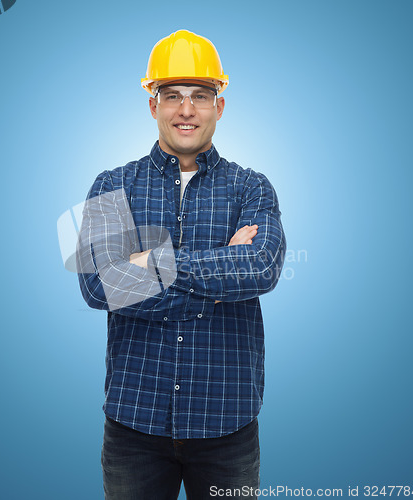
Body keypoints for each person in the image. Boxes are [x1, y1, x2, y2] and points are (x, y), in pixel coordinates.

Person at [76, 29, 286, 500]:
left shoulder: (253, 187)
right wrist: (218, 277)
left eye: (200, 96)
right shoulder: (112, 184)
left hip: (227, 425)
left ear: (220, 106)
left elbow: (261, 267)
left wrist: (149, 261)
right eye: (172, 96)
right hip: (134, 425)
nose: (186, 109)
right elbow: (98, 286)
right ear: (153, 106)